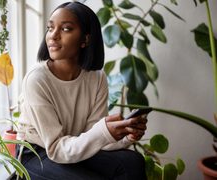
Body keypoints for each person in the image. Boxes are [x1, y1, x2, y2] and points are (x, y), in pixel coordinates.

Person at [14, 2, 148, 180]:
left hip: (72, 145)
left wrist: (126, 136)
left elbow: (92, 136)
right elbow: (55, 148)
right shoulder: (36, 79)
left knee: (133, 162)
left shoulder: (97, 77)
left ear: (85, 39)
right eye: (50, 27)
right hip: (36, 153)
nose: (53, 36)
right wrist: (103, 132)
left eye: (66, 29)